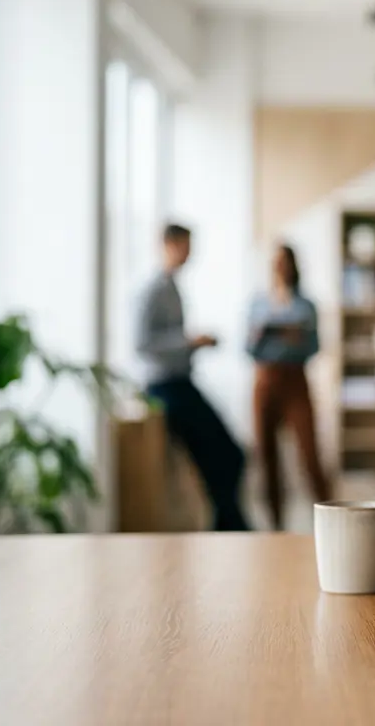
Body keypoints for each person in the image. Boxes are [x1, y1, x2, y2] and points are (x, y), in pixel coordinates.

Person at [138, 223, 251, 532]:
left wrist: (197, 344)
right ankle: (232, 526)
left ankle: (228, 522)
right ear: (169, 244)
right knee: (227, 454)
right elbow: (142, 345)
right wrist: (188, 342)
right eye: (186, 245)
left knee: (233, 455)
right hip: (165, 389)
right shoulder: (154, 290)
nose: (190, 253)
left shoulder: (173, 287)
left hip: (181, 383)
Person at [247, 244, 332, 531]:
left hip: (296, 381)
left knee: (310, 454)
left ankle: (330, 518)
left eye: (285, 262)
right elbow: (247, 348)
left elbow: (316, 346)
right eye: (276, 262)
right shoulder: (258, 303)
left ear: (294, 265)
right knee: (266, 456)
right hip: (265, 382)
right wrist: (261, 335)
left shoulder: (306, 306)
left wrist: (296, 340)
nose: (280, 267)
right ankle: (275, 524)